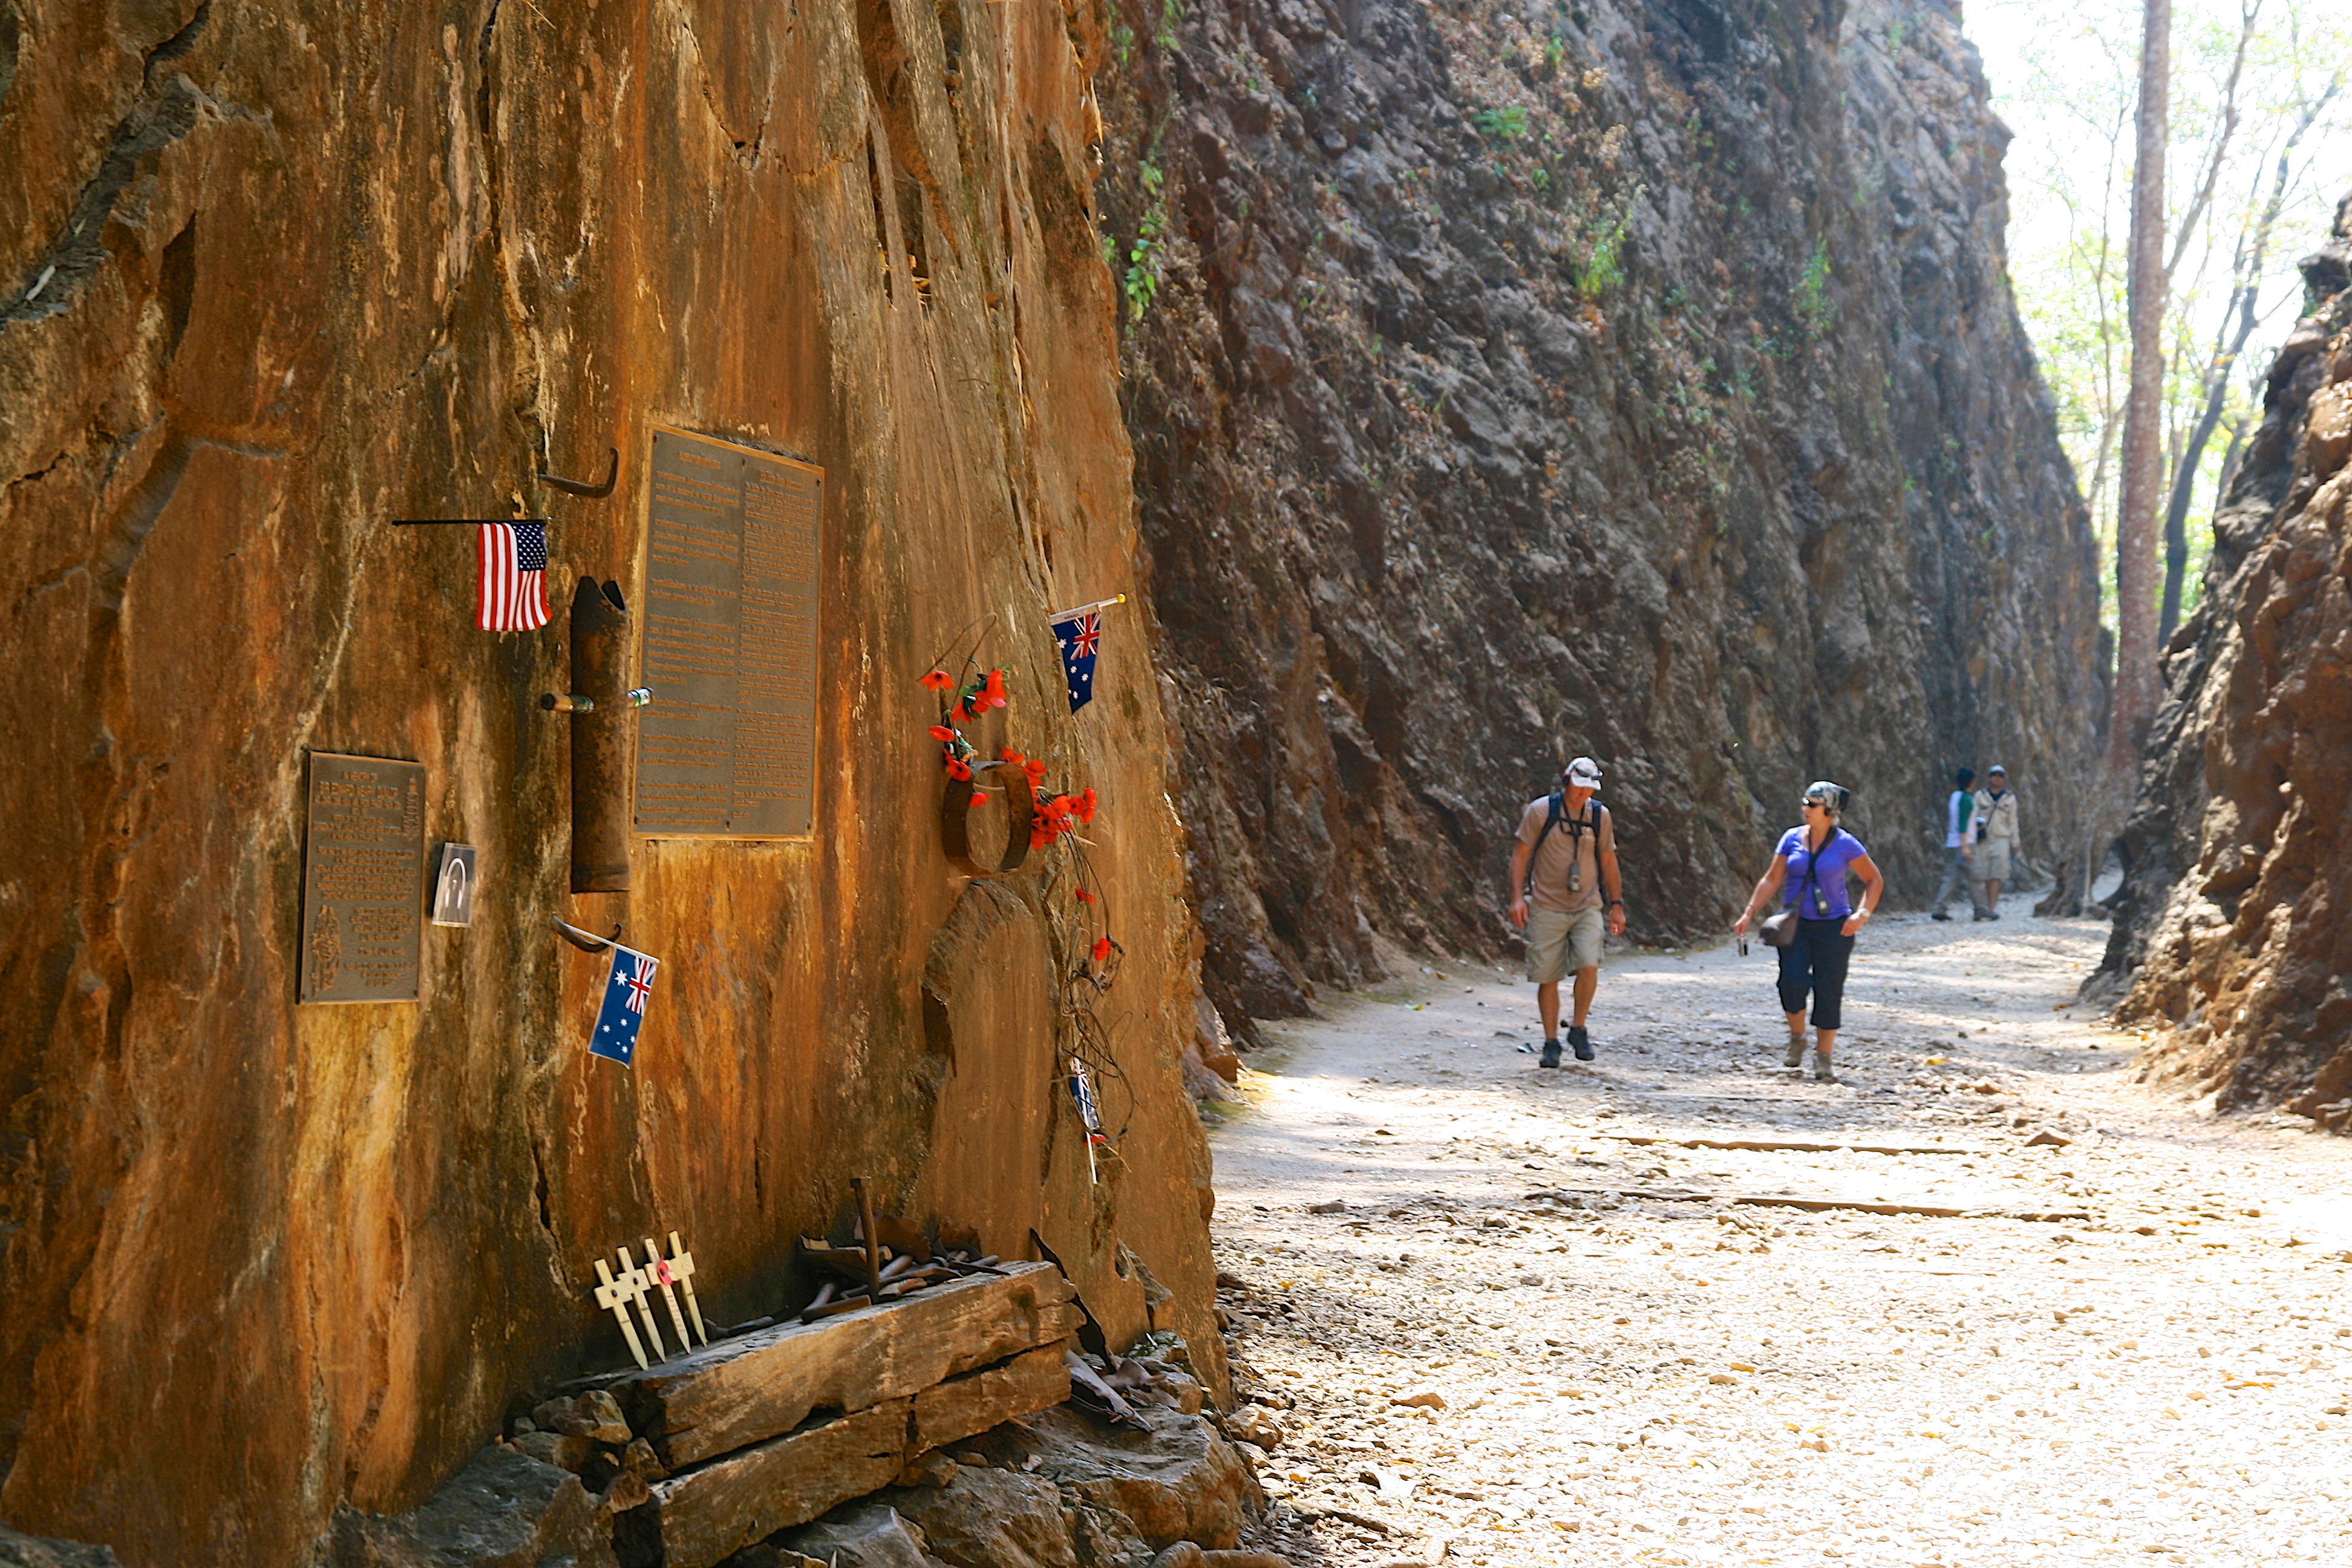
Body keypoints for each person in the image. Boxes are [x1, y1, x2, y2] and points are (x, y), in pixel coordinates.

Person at [1730, 780, 1886, 1083]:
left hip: (1835, 927)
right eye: (1804, 802)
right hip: (1795, 925)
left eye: (1812, 805)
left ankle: (1824, 1057)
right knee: (1791, 981)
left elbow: (1873, 880)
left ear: (1829, 810)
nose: (1805, 809)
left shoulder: (1846, 844)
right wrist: (1749, 913)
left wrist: (1862, 914)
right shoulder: (1791, 839)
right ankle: (1798, 1036)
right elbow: (1772, 878)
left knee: (1829, 991)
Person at [1506, 757, 1625, 1067]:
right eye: (1578, 787)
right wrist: (1518, 898)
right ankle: (1550, 1042)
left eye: (1588, 789)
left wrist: (1617, 906)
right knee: (1548, 975)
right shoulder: (1541, 811)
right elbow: (1521, 856)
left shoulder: (1600, 816)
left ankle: (1578, 1028)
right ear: (1566, 781)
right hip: (1546, 904)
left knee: (1589, 963)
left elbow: (1609, 861)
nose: (1582, 794)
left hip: (1587, 904)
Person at [1929, 766, 1982, 921]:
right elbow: (1964, 822)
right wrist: (1965, 846)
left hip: (1952, 843)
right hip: (1965, 843)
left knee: (1951, 878)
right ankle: (1982, 910)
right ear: (1972, 781)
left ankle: (1940, 908)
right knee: (1975, 877)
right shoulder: (1966, 799)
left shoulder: (1955, 797)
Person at [1971, 764, 2019, 919]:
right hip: (1983, 839)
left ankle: (1991, 908)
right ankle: (1983, 908)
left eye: (2000, 776)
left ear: (2004, 779)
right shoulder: (1980, 796)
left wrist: (2015, 842)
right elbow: (1973, 816)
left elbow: (2013, 821)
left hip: (2002, 839)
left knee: (1997, 875)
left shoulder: (2010, 798)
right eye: (1994, 775)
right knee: (1983, 874)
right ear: (1989, 778)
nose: (1997, 778)